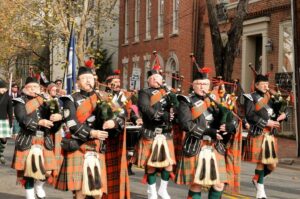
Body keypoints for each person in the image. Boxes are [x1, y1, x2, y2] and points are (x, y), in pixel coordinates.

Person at [175, 68, 233, 199]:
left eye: (205, 84)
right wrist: (208, 131)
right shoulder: (186, 101)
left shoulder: (216, 101)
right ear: (193, 85)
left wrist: (229, 125)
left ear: (209, 86)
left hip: (215, 146)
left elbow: (231, 119)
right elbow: (186, 124)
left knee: (219, 185)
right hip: (196, 145)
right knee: (196, 184)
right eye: (199, 84)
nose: (202, 87)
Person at [11, 77, 62, 199]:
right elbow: (22, 119)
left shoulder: (46, 100)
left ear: (40, 88)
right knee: (29, 171)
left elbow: (53, 122)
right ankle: (30, 195)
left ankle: (39, 186)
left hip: (44, 139)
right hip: (28, 139)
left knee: (48, 171)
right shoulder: (19, 101)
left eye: (36, 87)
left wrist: (58, 117)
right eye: (31, 87)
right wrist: (39, 122)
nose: (33, 89)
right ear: (25, 89)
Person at [243, 74, 287, 199]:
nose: (266, 87)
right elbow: (250, 115)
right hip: (258, 133)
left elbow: (276, 113)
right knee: (262, 162)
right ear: (256, 85)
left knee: (272, 165)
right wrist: (266, 123)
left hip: (270, 135)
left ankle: (257, 179)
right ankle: (260, 192)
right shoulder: (250, 97)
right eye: (263, 84)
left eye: (267, 84)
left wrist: (283, 116)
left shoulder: (270, 97)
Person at [137, 65, 176, 199]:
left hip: (166, 132)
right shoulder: (144, 92)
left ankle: (163, 190)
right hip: (151, 131)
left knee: (168, 164)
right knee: (151, 165)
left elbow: (175, 107)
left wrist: (172, 114)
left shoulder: (167, 92)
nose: (156, 80)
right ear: (149, 80)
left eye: (158, 78)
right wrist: (161, 115)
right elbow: (145, 108)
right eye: (153, 78)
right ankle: (151, 191)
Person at [101, 69, 131, 199]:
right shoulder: (102, 96)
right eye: (114, 82)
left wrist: (136, 118)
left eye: (119, 82)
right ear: (108, 84)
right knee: (104, 168)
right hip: (103, 135)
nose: (117, 84)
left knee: (116, 168)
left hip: (118, 134)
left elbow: (127, 111)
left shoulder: (123, 96)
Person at [0, 80, 13, 164]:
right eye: (2, 88)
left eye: (5, 88)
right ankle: (1, 155)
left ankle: (0, 152)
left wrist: (10, 122)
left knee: (4, 140)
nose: (4, 90)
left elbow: (10, 110)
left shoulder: (8, 97)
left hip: (3, 120)